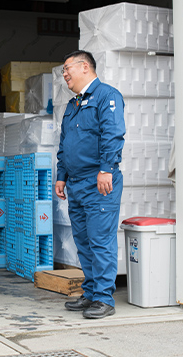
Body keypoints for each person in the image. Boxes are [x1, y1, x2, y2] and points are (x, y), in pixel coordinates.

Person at [55, 50, 125, 319]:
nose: (64, 75)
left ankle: (105, 299)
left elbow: (113, 134)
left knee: (100, 240)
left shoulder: (107, 96)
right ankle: (92, 292)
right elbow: (65, 144)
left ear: (84, 67)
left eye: (66, 68)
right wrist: (61, 175)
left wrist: (107, 169)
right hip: (76, 184)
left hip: (99, 182)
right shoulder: (72, 105)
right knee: (83, 241)